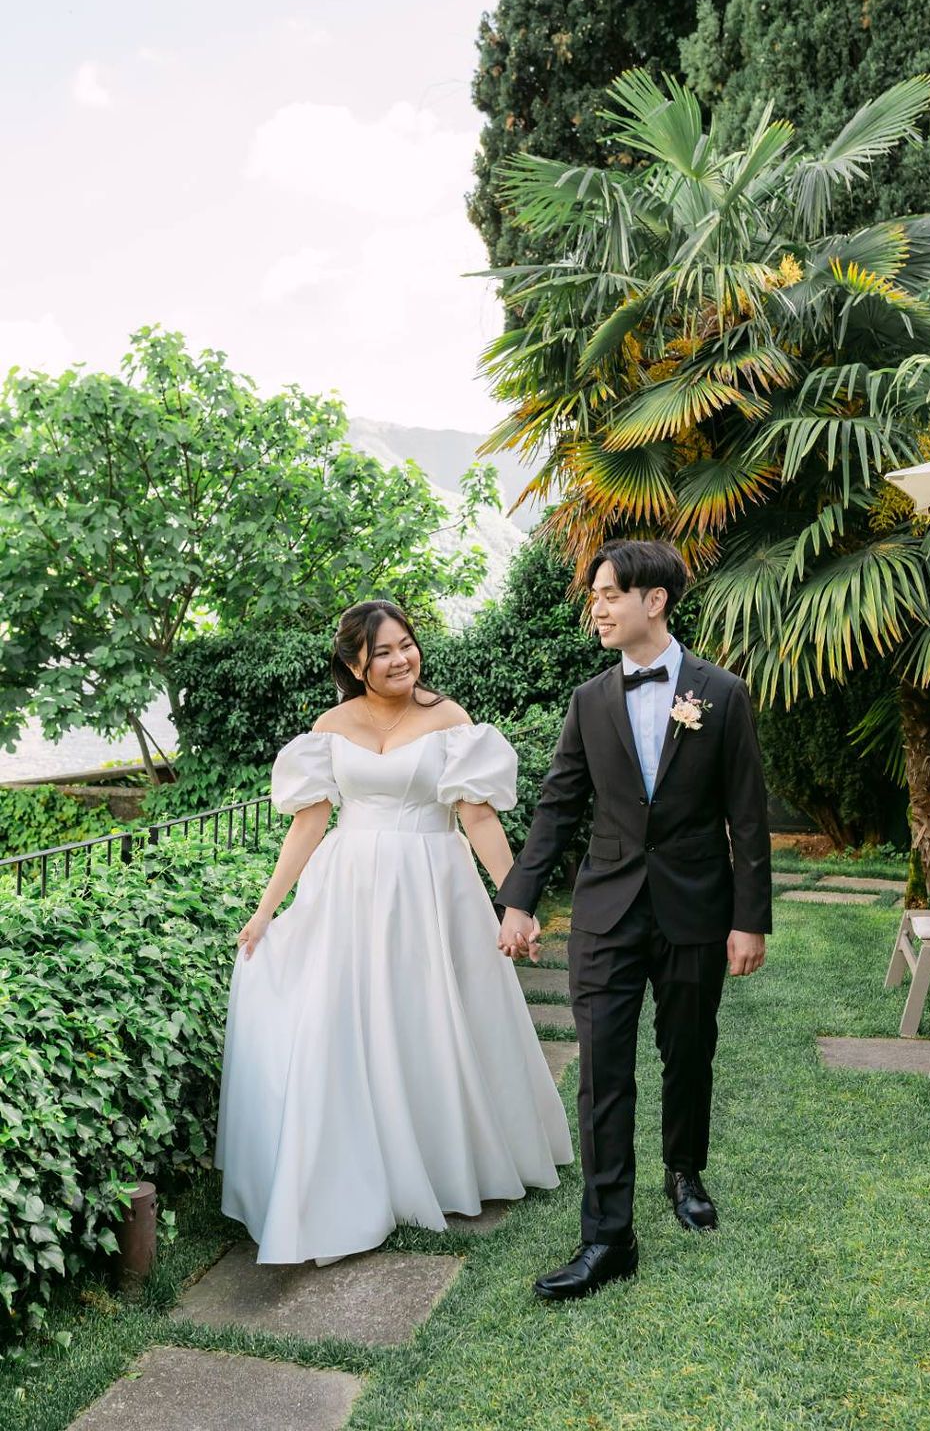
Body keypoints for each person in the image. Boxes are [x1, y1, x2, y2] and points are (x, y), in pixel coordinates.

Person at [215, 600, 572, 1264]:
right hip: (349, 888)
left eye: (406, 644)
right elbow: (309, 823)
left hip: (434, 885)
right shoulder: (330, 728)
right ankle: (359, 1165)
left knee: (434, 1016)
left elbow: (479, 819)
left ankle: (445, 1161)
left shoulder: (450, 720)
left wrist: (516, 902)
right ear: (356, 664)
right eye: (382, 651)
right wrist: (265, 910)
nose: (401, 658)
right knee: (346, 1022)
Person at [495, 539, 772, 1301]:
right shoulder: (588, 701)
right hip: (606, 910)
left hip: (696, 905)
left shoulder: (723, 694)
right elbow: (558, 806)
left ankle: (684, 1171)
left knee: (688, 1051)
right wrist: (519, 898)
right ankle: (608, 1236)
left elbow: (748, 816)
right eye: (595, 596)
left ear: (655, 601)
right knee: (603, 1072)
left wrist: (749, 919)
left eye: (610, 593)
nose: (598, 608)